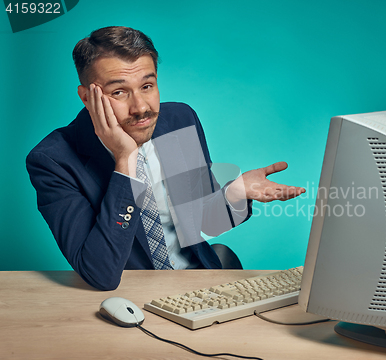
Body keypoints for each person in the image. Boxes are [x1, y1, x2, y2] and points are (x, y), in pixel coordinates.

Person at [26, 26, 305, 291]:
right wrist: (125, 161)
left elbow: (197, 224)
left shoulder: (179, 120)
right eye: (119, 92)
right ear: (87, 97)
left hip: (196, 285)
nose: (141, 108)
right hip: (126, 298)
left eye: (147, 86)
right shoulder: (53, 161)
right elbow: (99, 272)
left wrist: (235, 193)